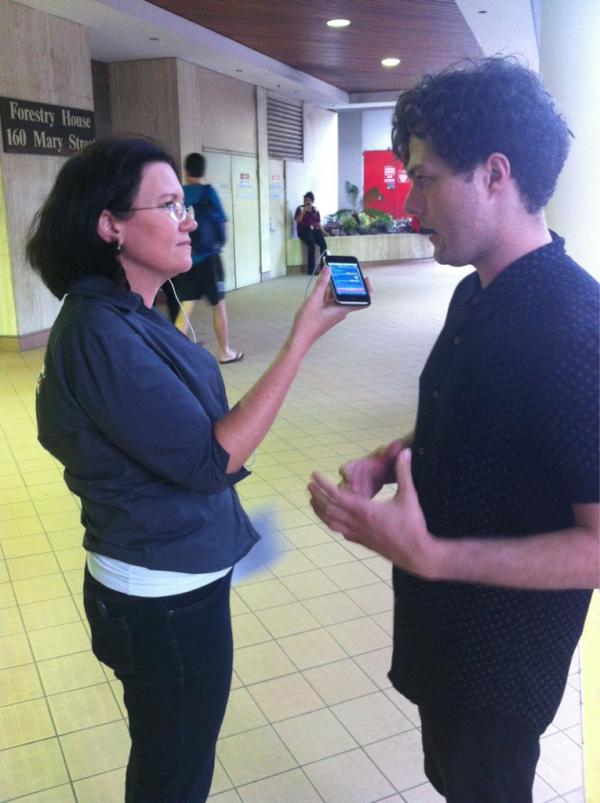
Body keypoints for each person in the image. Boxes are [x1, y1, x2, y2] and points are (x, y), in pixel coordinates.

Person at [26, 137, 366, 803]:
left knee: (174, 759)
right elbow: (214, 455)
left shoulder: (135, 310)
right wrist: (299, 339)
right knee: (173, 776)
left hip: (177, 575)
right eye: (169, 205)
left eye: (184, 203)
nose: (189, 220)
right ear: (109, 224)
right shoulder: (101, 331)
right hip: (161, 598)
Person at [308, 57, 599, 803]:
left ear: (495, 174)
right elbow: (483, 419)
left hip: (501, 667)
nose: (410, 202)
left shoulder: (571, 326)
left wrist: (433, 555)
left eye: (426, 178)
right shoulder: (476, 293)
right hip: (448, 646)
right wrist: (393, 454)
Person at [162, 152, 243, 364]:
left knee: (186, 306)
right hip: (210, 259)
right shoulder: (209, 192)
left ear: (186, 171)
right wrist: (217, 246)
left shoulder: (177, 195)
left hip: (187, 259)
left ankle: (176, 356)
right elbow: (222, 224)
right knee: (219, 306)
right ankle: (225, 352)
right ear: (202, 171)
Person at [294, 191, 327, 274]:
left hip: (314, 230)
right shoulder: (300, 209)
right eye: (305, 200)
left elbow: (318, 222)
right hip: (303, 230)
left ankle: (323, 269)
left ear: (312, 201)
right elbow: (297, 221)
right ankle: (311, 271)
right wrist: (304, 211)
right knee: (311, 245)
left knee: (323, 245)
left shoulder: (316, 210)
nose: (307, 202)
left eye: (309, 200)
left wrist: (323, 231)